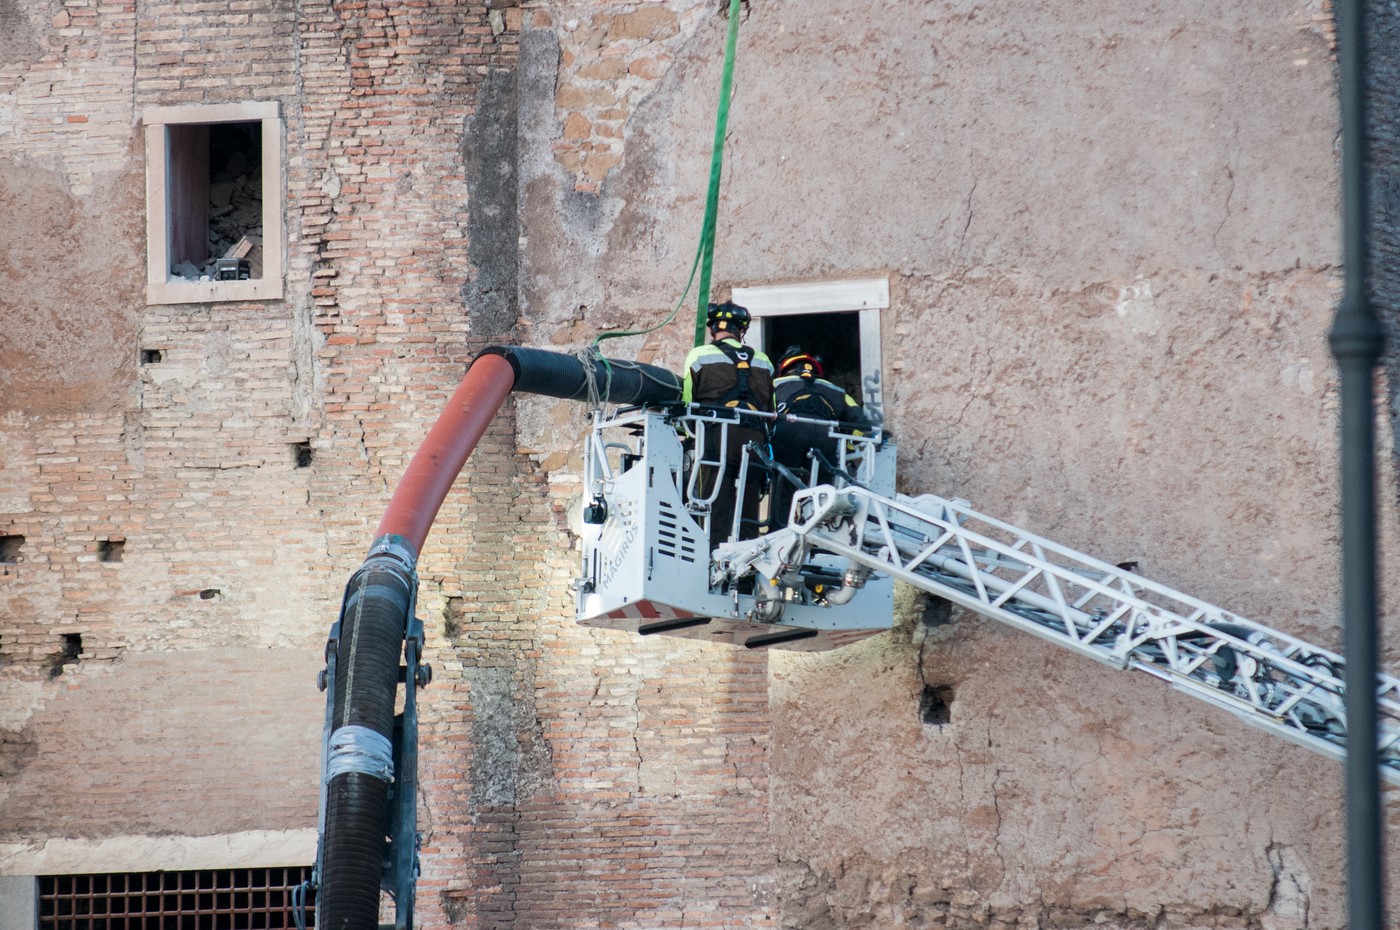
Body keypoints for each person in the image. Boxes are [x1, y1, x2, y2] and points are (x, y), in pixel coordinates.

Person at [681, 300, 775, 544]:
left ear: (713, 329)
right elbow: (771, 411)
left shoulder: (698, 355)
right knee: (748, 516)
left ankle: (711, 569)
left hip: (715, 440)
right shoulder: (764, 360)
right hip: (753, 442)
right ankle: (746, 577)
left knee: (712, 510)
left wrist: (692, 437)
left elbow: (688, 405)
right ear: (741, 331)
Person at [769, 346, 870, 524]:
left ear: (785, 368)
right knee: (823, 491)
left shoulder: (777, 385)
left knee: (784, 485)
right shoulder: (837, 391)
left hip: (789, 434)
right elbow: (861, 424)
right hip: (826, 439)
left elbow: (765, 415)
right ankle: (821, 534)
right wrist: (847, 447)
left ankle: (779, 530)